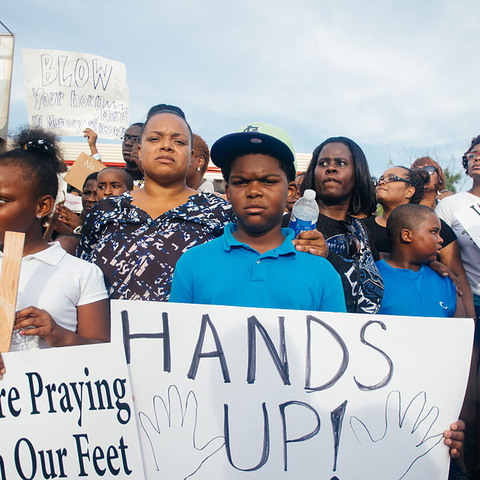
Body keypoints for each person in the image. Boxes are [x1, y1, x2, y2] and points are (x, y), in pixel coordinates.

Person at [78, 107, 328, 302]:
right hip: (111, 353)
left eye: (178, 141)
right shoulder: (105, 211)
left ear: (192, 156)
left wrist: (306, 247)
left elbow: (264, 252)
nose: (166, 145)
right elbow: (82, 282)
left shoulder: (221, 212)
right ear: (139, 150)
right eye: (155, 138)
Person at [170, 123, 346, 312]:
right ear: (228, 192)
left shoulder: (322, 274)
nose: (253, 191)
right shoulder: (193, 263)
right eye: (241, 182)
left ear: (291, 191)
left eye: (268, 182)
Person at [0, 127, 109, 376]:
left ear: (43, 205)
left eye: (2, 200)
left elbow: (103, 353)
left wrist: (59, 335)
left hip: (51, 406)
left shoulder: (82, 273)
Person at [363, 166, 475, 318]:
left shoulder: (443, 284)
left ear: (410, 191)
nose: (382, 182)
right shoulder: (361, 229)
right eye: (381, 178)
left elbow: (458, 278)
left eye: (391, 178)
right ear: (405, 235)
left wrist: (471, 326)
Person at [296, 136, 383, 313]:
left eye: (341, 163)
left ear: (358, 173)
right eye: (323, 163)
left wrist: (429, 264)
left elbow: (380, 263)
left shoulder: (360, 228)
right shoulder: (294, 223)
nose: (331, 168)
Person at [376, 204, 464, 317]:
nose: (441, 239)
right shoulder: (371, 277)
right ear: (406, 235)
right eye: (433, 232)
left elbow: (460, 330)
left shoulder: (446, 282)